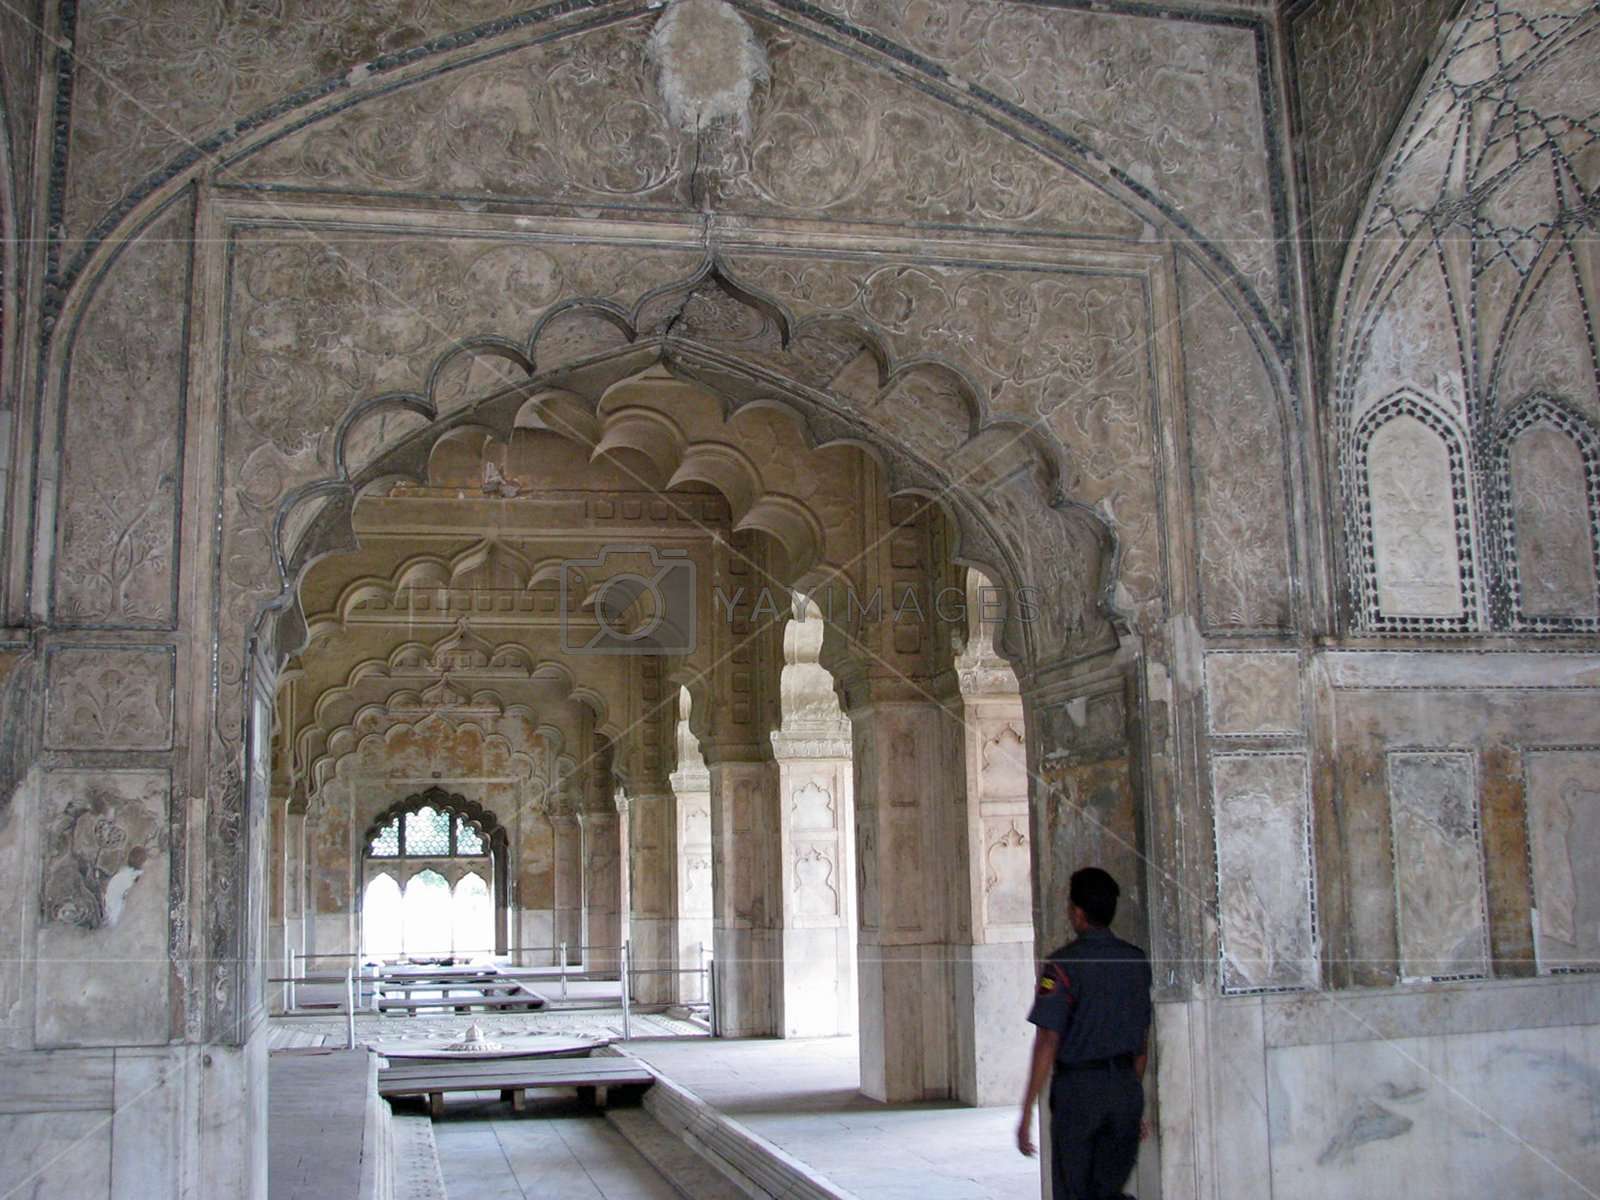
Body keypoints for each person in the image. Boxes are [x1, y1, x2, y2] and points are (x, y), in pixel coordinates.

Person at [1016, 866, 1153, 1200]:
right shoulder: (1136, 961)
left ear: (1077, 913)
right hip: (1124, 1090)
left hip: (1078, 1093)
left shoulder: (1062, 966)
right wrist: (1132, 1097)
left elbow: (1048, 1040)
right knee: (1108, 1189)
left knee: (1075, 1190)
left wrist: (1026, 1112)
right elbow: (1141, 1040)